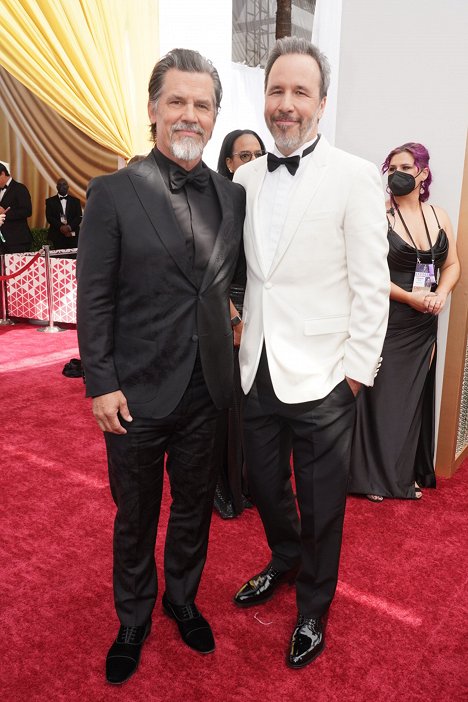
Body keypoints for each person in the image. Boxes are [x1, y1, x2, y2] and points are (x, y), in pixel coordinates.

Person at [76, 48, 245, 685]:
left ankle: (182, 597)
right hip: (136, 391)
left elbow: (230, 284)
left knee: (194, 507)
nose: (189, 115)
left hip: (207, 388)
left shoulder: (231, 196)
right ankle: (134, 617)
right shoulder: (114, 192)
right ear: (153, 110)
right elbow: (93, 295)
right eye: (177, 101)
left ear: (214, 115)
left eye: (202, 105)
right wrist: (101, 383)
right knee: (137, 511)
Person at [232, 37, 390, 669]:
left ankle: (313, 608)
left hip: (327, 376)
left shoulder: (355, 176)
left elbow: (370, 285)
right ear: (264, 100)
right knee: (265, 487)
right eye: (276, 90)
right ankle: (284, 557)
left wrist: (354, 375)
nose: (286, 104)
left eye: (300, 92)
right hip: (258, 369)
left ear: (322, 103)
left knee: (324, 504)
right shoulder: (243, 177)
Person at [349, 142, 460, 502]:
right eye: (392, 167)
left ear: (423, 174)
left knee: (411, 399)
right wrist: (412, 298)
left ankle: (402, 473)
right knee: (381, 397)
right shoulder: (379, 216)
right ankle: (371, 478)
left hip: (425, 320)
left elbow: (453, 264)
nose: (397, 174)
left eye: (405, 167)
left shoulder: (439, 216)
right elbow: (368, 275)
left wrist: (441, 294)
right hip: (390, 317)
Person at [214, 129, 266, 519]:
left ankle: (254, 482)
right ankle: (226, 486)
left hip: (261, 313)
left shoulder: (266, 203)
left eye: (258, 154)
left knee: (257, 407)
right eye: (243, 155)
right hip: (227, 311)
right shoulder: (220, 206)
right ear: (229, 163)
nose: (252, 161)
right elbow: (209, 272)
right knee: (229, 406)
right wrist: (233, 317)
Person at [0, 162, 33, 253]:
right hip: (2, 241)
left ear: (2, 173)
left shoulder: (20, 188)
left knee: (18, 267)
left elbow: (27, 211)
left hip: (17, 240)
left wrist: (5, 213)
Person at [45, 178, 82, 250]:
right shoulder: (50, 201)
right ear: (56, 187)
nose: (62, 186)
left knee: (73, 259)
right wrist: (61, 227)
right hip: (57, 235)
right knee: (58, 258)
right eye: (60, 184)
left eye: (64, 184)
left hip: (73, 234)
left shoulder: (76, 201)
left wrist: (69, 227)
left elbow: (79, 217)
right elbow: (49, 217)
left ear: (68, 186)